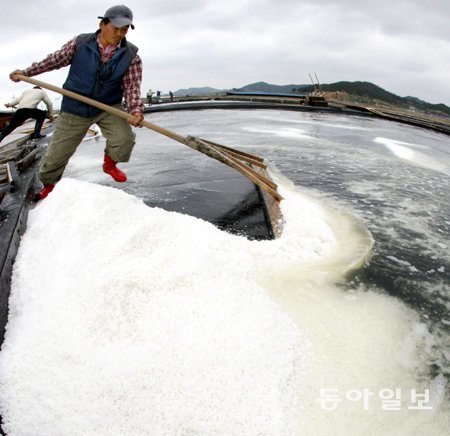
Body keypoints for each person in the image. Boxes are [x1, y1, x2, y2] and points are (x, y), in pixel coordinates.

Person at [9, 5, 144, 200]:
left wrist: (136, 111)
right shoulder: (80, 43)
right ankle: (48, 186)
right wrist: (27, 73)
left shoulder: (131, 56)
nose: (120, 34)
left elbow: (132, 88)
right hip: (76, 105)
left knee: (124, 139)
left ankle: (110, 164)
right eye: (116, 28)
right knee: (57, 154)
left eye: (124, 29)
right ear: (102, 24)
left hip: (108, 105)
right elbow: (53, 60)